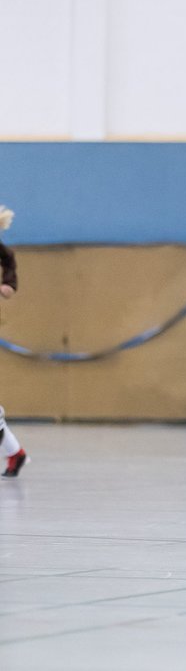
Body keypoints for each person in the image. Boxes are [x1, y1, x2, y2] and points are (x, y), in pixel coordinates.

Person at [0, 205, 28, 478]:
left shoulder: (4, 253)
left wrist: (4, 287)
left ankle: (15, 453)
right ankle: (15, 453)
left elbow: (9, 287)